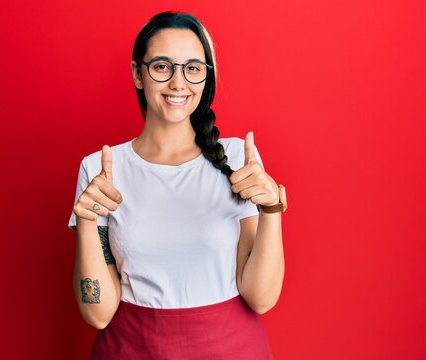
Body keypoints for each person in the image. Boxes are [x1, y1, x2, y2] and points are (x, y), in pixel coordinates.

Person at [67, 11, 288, 360]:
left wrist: (272, 208)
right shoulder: (99, 169)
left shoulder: (235, 159)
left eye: (193, 68)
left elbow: (260, 297)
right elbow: (98, 314)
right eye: (162, 67)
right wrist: (87, 223)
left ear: (205, 77)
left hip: (231, 349)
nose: (178, 83)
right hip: (132, 349)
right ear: (138, 73)